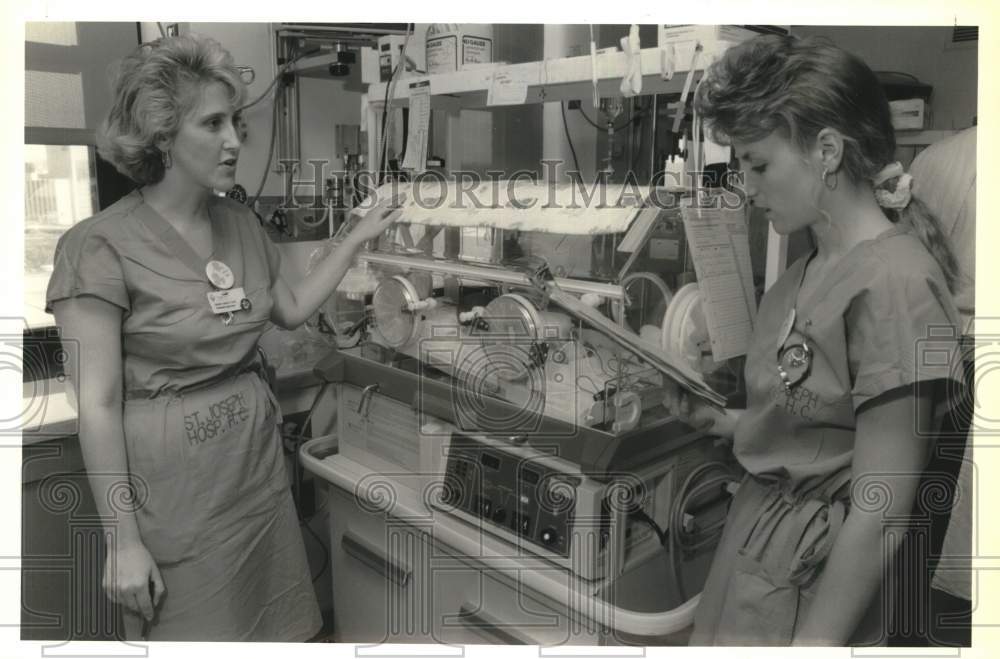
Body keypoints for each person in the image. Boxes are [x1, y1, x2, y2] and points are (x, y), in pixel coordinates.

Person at [46, 34, 398, 641]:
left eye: (235, 121)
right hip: (171, 492)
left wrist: (356, 237)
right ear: (162, 135)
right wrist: (122, 542)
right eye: (213, 123)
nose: (234, 139)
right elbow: (97, 406)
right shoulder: (98, 246)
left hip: (252, 470)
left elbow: (287, 308)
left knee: (270, 625)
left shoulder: (238, 221)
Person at [663, 34, 965, 646]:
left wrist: (817, 642)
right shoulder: (805, 270)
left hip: (819, 579)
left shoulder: (896, 284)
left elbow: (882, 505)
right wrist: (720, 421)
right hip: (758, 549)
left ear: (826, 150)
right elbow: (810, 426)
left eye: (759, 164)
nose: (747, 187)